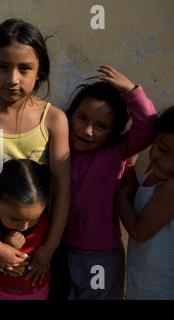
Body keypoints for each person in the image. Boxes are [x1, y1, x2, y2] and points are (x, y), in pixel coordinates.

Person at [0, 18, 71, 299]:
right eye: (2, 67)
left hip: (43, 238)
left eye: (24, 68)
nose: (12, 79)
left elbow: (61, 187)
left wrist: (50, 247)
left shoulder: (54, 119)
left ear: (40, 72)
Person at [64, 65, 157, 299]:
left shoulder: (114, 153)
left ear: (114, 134)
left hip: (101, 256)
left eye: (101, 126)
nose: (87, 130)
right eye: (82, 118)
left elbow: (147, 128)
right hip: (61, 251)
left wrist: (131, 91)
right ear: (70, 114)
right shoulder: (57, 151)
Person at [0, 159, 52, 299]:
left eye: (33, 219)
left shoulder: (47, 225)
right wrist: (5, 247)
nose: (24, 227)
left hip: (40, 294)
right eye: (14, 219)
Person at [116, 105, 174, 300]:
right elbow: (143, 203)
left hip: (160, 290)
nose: (167, 163)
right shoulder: (154, 171)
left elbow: (139, 231)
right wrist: (130, 168)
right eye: (162, 149)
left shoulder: (172, 188)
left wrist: (118, 197)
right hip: (144, 284)